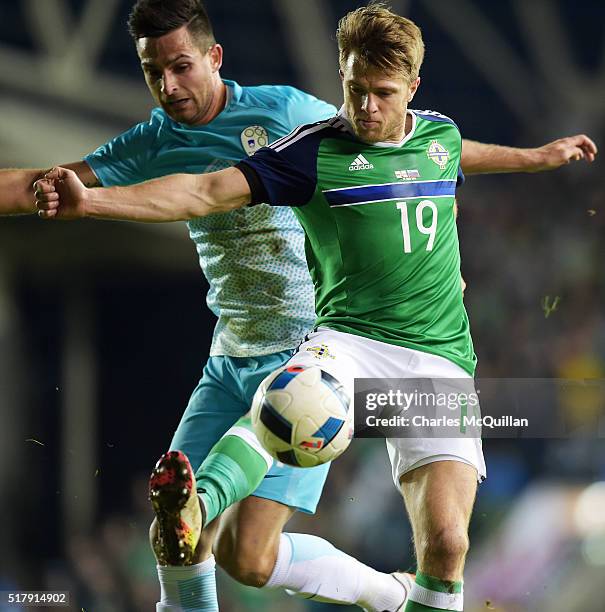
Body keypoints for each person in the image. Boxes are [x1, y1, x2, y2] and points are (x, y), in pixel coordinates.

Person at [24, 2, 598, 612]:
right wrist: (95, 202)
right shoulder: (311, 152)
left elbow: (459, 155)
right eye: (354, 90)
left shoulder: (440, 136)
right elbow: (204, 190)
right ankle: (198, 502)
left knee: (449, 547)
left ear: (412, 90)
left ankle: (397, 598)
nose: (366, 108)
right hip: (347, 343)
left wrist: (536, 157)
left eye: (381, 94)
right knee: (288, 405)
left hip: (438, 359)